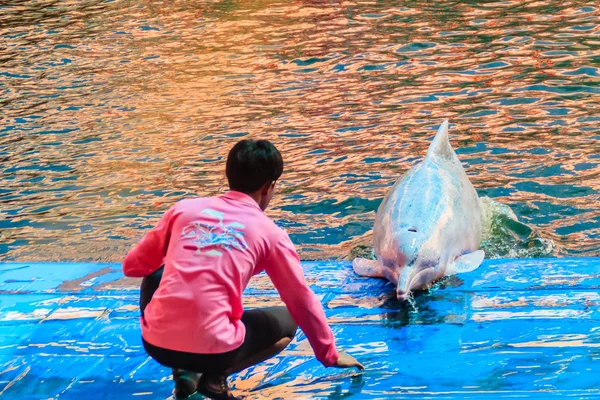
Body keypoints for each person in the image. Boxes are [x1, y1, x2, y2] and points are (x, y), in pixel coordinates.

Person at [122, 139, 364, 400]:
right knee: (288, 321)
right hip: (217, 350)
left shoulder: (182, 210)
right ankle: (214, 379)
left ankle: (184, 373)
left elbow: (133, 266)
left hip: (156, 344)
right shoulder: (271, 233)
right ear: (268, 188)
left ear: (229, 176)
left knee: (157, 272)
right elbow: (301, 300)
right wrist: (329, 354)